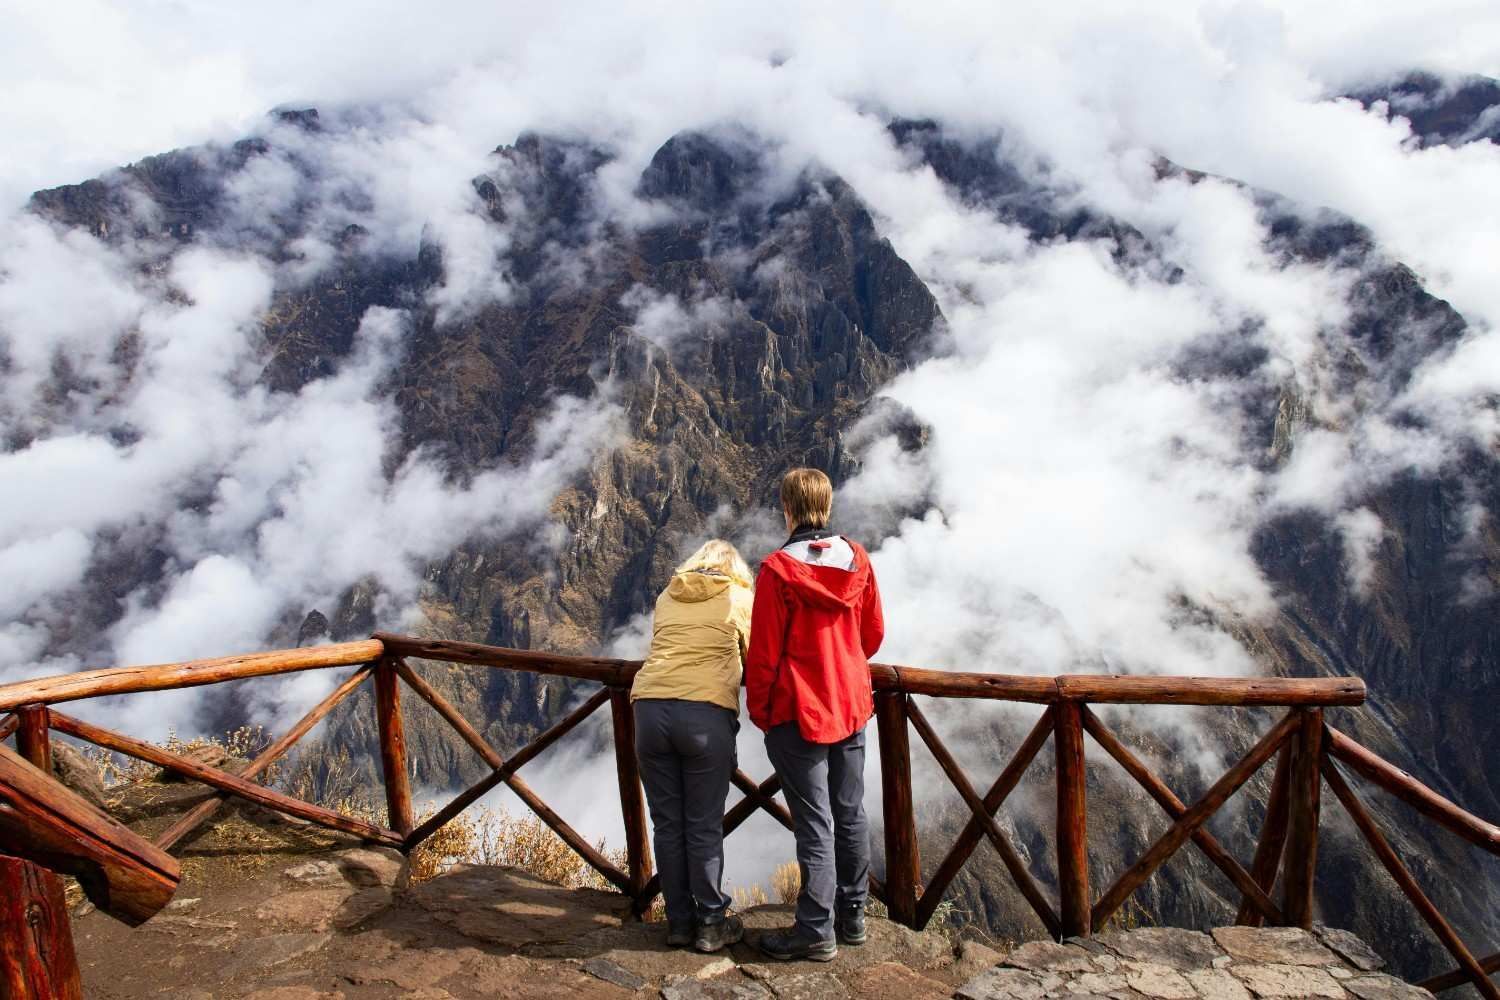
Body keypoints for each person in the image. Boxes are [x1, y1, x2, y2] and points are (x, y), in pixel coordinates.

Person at [746, 468, 885, 962]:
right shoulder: (858, 560)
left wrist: (762, 711)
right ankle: (853, 918)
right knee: (849, 813)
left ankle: (814, 930)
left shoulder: (777, 571)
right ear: (825, 506)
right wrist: (844, 662)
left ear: (787, 509)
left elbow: (764, 653)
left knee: (814, 823)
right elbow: (872, 634)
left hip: (798, 710)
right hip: (851, 705)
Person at [630, 539, 754, 953]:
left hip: (649, 709)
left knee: (667, 824)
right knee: (703, 825)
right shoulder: (739, 597)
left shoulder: (668, 595)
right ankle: (712, 922)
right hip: (703, 714)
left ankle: (679, 922)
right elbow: (755, 654)